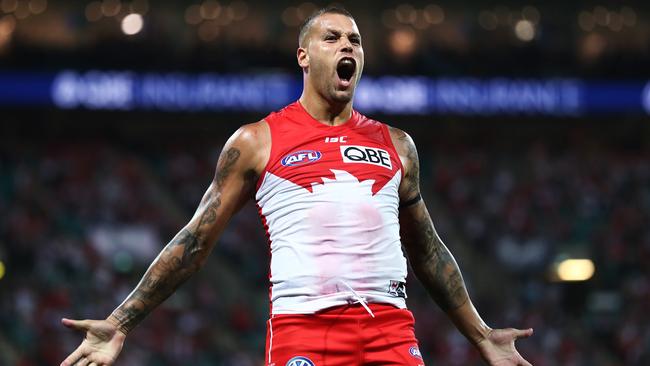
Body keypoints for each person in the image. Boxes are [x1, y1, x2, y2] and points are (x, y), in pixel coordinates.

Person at [60, 6, 533, 366]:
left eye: (356, 40)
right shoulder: (256, 141)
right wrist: (120, 321)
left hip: (390, 330)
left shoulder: (397, 145)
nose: (348, 46)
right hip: (304, 331)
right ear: (304, 57)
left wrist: (480, 334)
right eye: (332, 38)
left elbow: (427, 249)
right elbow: (195, 240)